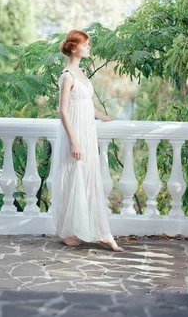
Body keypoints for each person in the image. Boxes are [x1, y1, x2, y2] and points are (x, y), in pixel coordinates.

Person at [50, 29, 124, 252]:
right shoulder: (67, 76)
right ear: (74, 48)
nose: (89, 47)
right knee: (71, 178)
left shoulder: (81, 72)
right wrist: (74, 142)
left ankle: (98, 231)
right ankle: (65, 232)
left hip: (87, 131)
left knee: (89, 179)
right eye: (86, 44)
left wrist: (100, 116)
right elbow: (63, 111)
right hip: (74, 134)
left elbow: (85, 102)